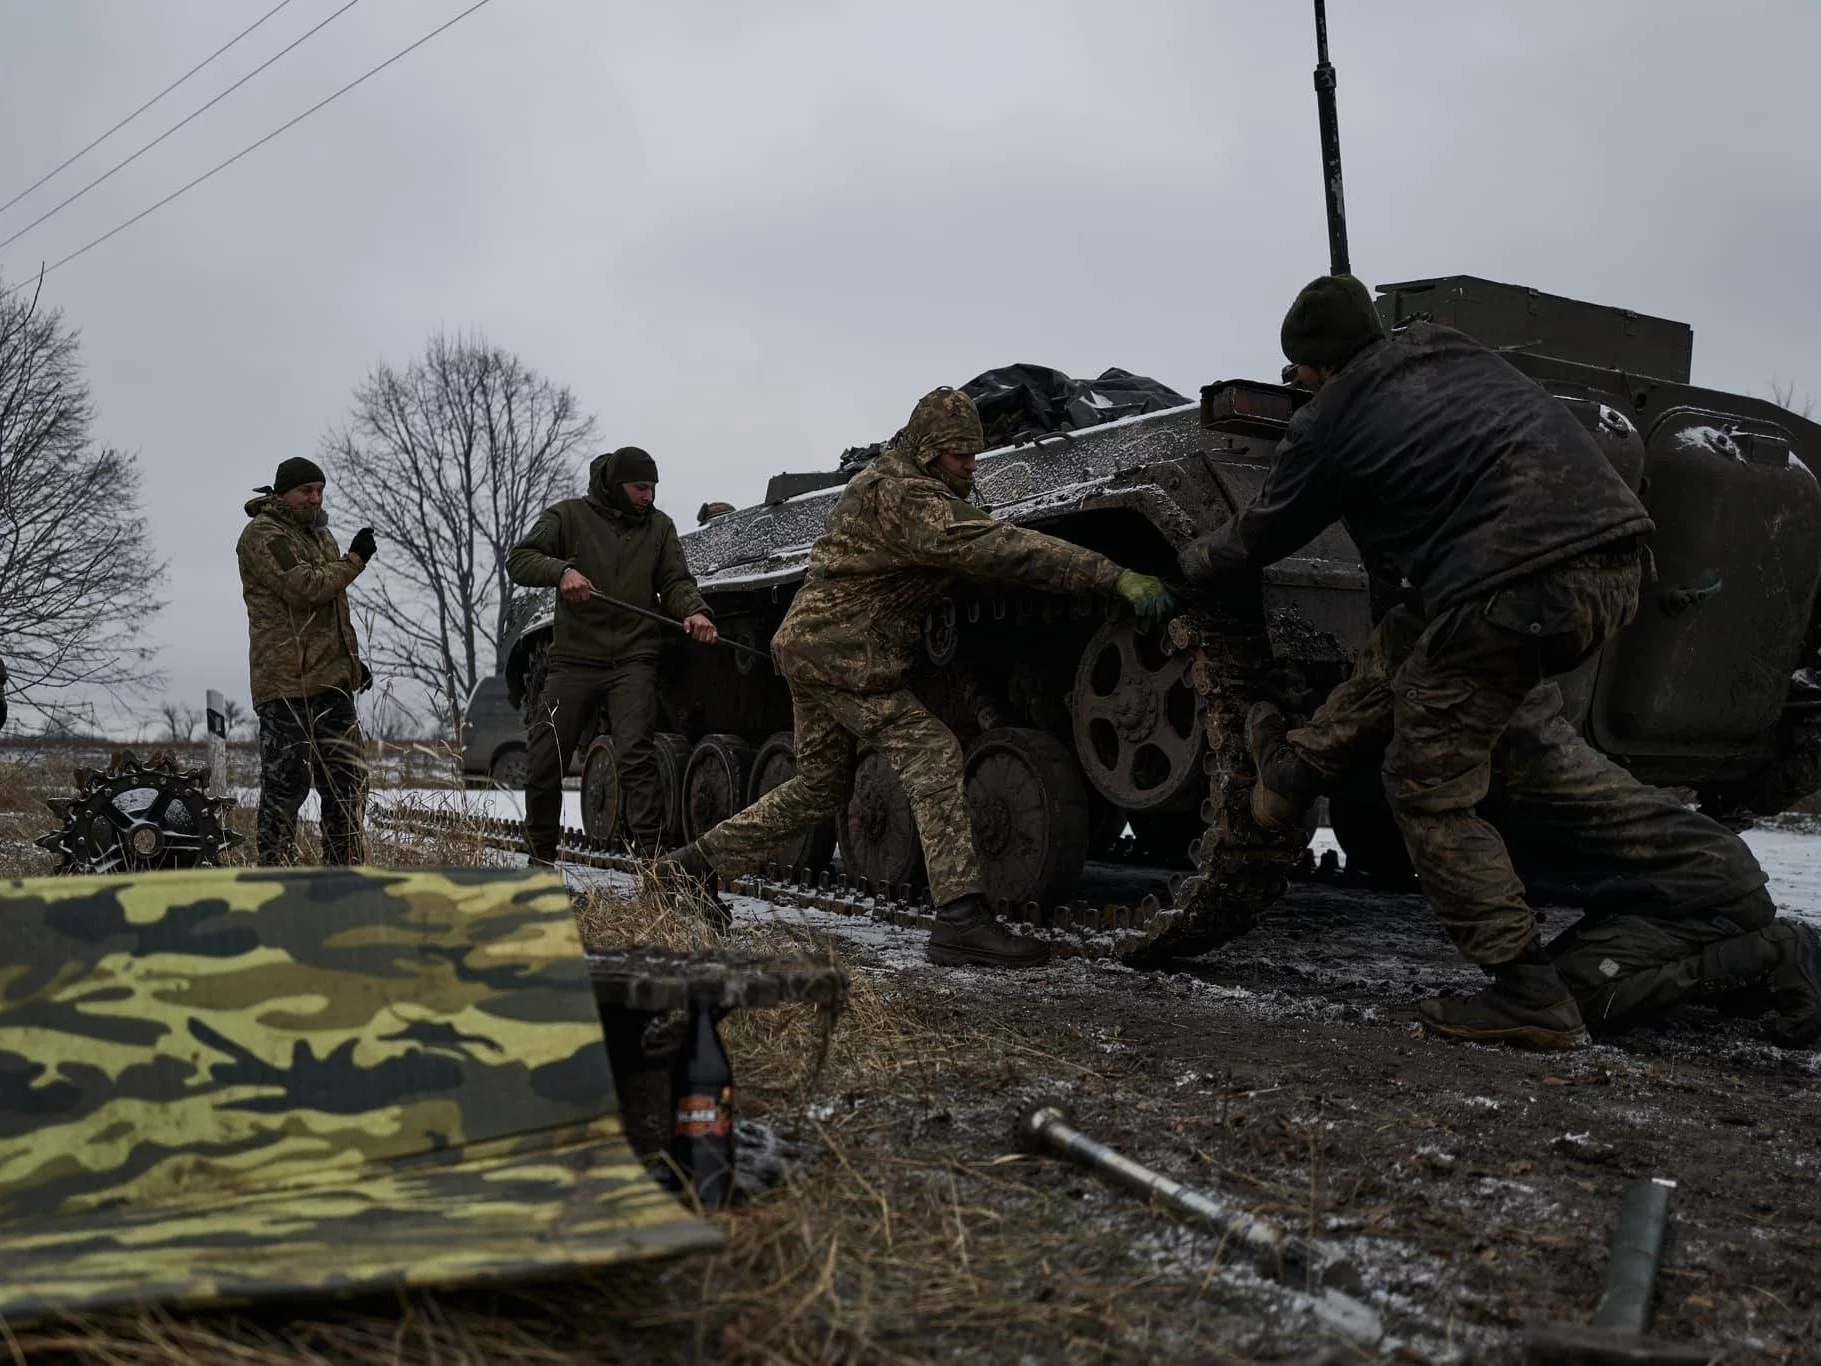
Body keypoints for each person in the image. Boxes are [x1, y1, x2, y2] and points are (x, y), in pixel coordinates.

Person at [1179, 272, 1657, 1046]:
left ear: (1314, 364)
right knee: (1408, 641)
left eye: (1297, 368)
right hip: (1612, 564)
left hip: (1509, 588)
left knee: (1425, 784)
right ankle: (1295, 770)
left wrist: (1189, 564)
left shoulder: (1329, 418)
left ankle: (1525, 992)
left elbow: (1264, 532)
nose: (1295, 381)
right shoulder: (1446, 347)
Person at [656, 387, 1176, 969]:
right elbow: (1000, 546)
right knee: (934, 755)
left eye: (974, 452)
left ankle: (689, 868)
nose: (972, 464)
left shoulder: (900, 482)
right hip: (844, 652)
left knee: (820, 788)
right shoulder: (906, 497)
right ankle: (959, 921)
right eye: (960, 455)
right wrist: (1112, 577)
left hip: (817, 646)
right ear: (929, 452)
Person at [1299, 606, 1821, 1047]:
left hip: (1701, 890)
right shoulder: (1500, 714)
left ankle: (1773, 951)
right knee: (1568, 975)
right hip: (1685, 884)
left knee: (1568, 999)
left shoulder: (1497, 743)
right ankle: (1750, 968)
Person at [507, 446, 716, 862]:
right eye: (640, 487)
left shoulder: (659, 528)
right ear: (616, 484)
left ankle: (656, 868)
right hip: (575, 659)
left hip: (633, 659)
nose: (648, 496)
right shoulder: (567, 517)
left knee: (637, 759)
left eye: (653, 488)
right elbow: (520, 560)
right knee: (545, 757)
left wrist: (694, 611)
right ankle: (540, 862)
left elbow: (675, 580)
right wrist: (562, 571)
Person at [236, 456, 375, 865]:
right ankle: (275, 875)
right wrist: (355, 560)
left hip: (331, 683)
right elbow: (306, 588)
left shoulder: (320, 535)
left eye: (320, 491)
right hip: (286, 685)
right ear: (283, 494)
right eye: (305, 491)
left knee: (348, 781)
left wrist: (350, 663)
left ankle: (343, 875)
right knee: (286, 786)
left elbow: (331, 609)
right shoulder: (263, 535)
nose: (314, 499)